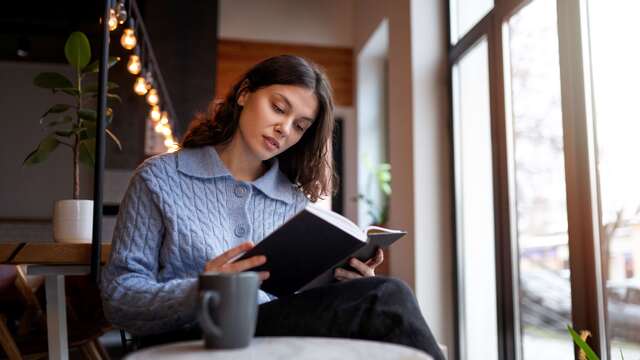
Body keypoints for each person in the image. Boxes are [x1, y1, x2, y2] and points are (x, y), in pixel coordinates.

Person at [100, 55, 444, 360]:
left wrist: (346, 284)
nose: (284, 129)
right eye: (279, 108)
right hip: (192, 340)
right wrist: (202, 289)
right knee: (387, 296)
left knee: (375, 296)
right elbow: (119, 297)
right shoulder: (159, 178)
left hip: (271, 340)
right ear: (245, 93)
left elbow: (295, 299)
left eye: (300, 126)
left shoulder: (295, 202)